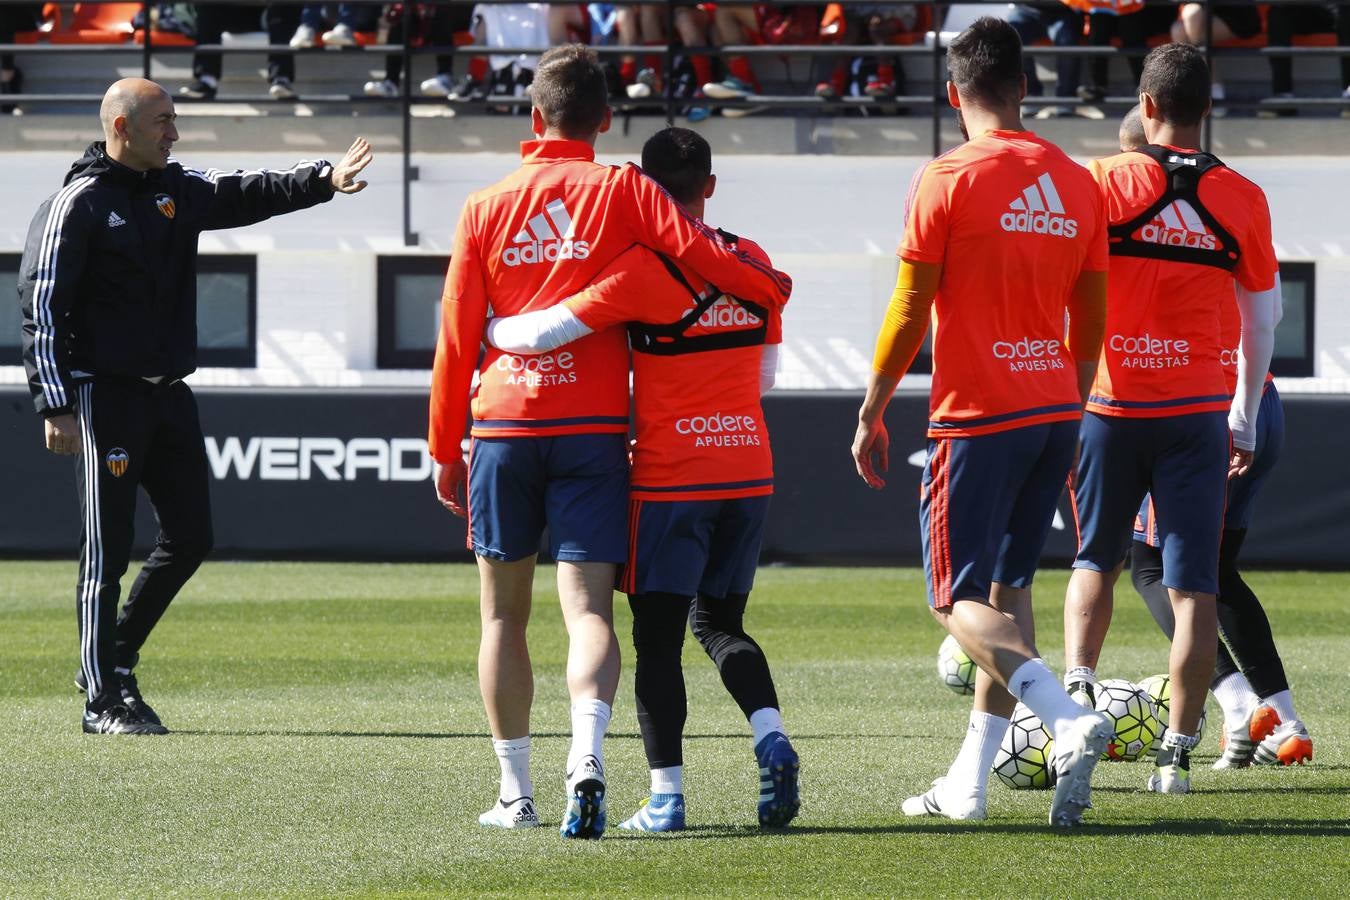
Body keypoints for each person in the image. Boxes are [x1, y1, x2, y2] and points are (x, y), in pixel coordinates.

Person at [427, 44, 791, 839]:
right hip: (593, 429)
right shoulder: (624, 188)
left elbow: (456, 335)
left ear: (533, 115)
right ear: (605, 119)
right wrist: (765, 289)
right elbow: (696, 251)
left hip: (502, 425)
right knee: (589, 611)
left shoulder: (485, 205)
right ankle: (585, 761)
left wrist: (442, 443)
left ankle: (515, 793)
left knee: (501, 620)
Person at [17, 78, 372, 736]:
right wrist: (55, 404)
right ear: (122, 128)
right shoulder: (76, 205)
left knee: (191, 537)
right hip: (103, 397)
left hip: (168, 395)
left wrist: (325, 178)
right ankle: (101, 702)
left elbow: (249, 191)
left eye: (174, 120)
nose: (174, 134)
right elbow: (41, 310)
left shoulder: (176, 189)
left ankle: (113, 659)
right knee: (106, 551)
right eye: (162, 122)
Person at [850, 17, 1112, 827]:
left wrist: (873, 406)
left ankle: (1065, 718)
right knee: (1009, 588)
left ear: (955, 93)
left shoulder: (947, 176)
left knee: (953, 599)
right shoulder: (1077, 181)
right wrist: (1065, 394)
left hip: (978, 415)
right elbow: (1092, 314)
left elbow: (908, 305)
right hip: (1052, 409)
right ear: (1025, 87)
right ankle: (968, 783)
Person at [1063, 43, 1282, 794]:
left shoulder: (1100, 179)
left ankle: (1074, 708)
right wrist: (1244, 418)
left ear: (1146, 106)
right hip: (1197, 415)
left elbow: (1063, 284)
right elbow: (1265, 318)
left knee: (1097, 561)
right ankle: (1177, 758)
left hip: (1107, 405)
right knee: (1195, 590)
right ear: (1206, 107)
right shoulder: (1245, 197)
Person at [182, 3, 302, 100]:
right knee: (209, 6)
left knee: (284, 6)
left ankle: (281, 79)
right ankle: (207, 80)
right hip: (238, 11)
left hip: (271, 12)